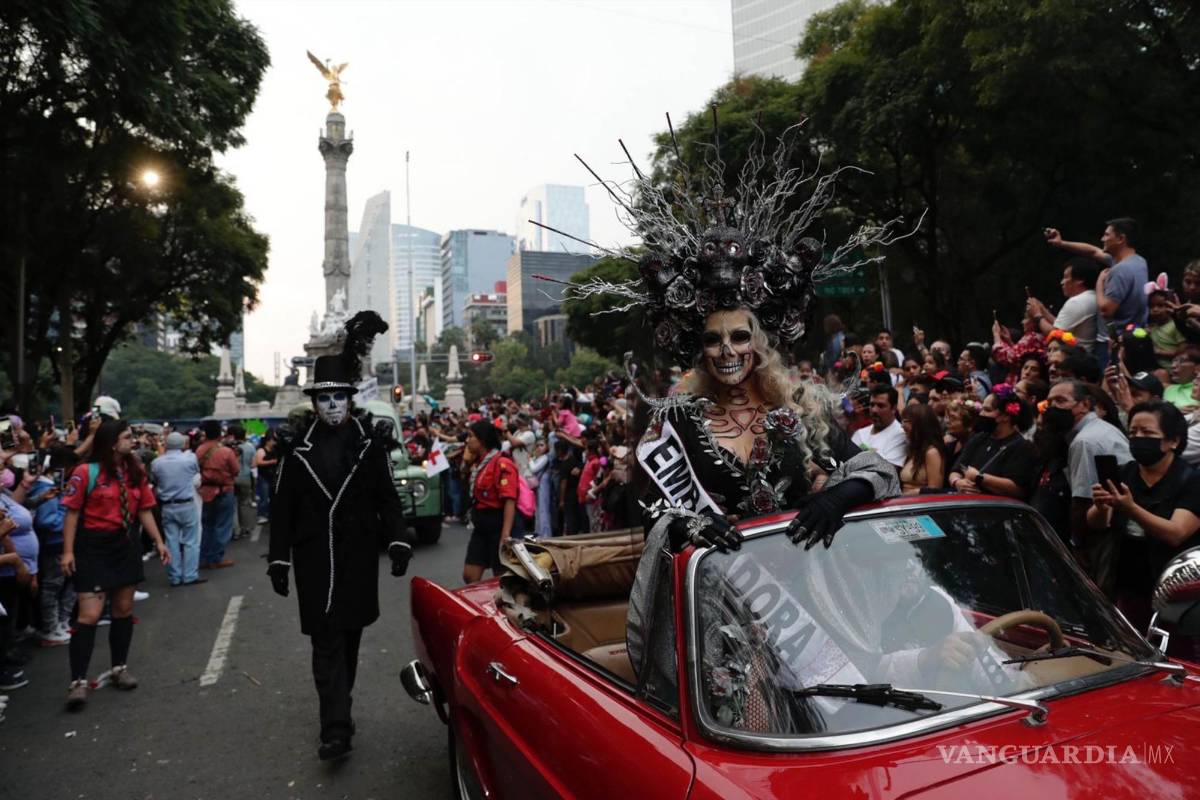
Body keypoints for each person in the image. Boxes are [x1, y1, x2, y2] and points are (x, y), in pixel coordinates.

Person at [267, 311, 412, 761]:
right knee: (325, 644)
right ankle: (334, 728)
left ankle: (340, 708)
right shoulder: (297, 450)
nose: (331, 405)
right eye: (324, 398)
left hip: (354, 558)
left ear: (349, 399)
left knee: (348, 641)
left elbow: (388, 498)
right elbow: (281, 509)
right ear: (314, 403)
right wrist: (279, 558)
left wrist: (398, 538)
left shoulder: (370, 445)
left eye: (338, 397)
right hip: (314, 562)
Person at [59, 419, 170, 709]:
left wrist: (158, 542)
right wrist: (68, 552)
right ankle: (78, 681)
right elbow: (71, 514)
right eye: (126, 437)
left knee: (123, 609)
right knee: (90, 615)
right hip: (93, 547)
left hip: (126, 545)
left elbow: (145, 509)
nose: (131, 441)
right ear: (110, 442)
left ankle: (119, 667)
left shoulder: (135, 472)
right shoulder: (86, 473)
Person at [1087, 400, 1200, 636]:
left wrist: (1130, 508)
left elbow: (1176, 533)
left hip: (1176, 595)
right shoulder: (1124, 472)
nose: (1138, 438)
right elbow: (1097, 523)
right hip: (1125, 584)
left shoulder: (1191, 481)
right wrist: (1100, 506)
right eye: (1133, 432)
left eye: (1147, 433)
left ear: (1173, 441)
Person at [1044, 380, 1132, 592]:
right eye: (1050, 402)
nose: (1053, 407)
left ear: (1084, 404)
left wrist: (1078, 544)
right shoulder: (1099, 430)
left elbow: (1082, 500)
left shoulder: (1086, 441)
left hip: (1107, 532)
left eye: (1061, 401)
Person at [1046, 219, 1149, 365]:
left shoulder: (1120, 271)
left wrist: (1099, 283)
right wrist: (1061, 243)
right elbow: (1093, 251)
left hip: (1112, 342)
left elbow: (1107, 310)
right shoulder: (1138, 262)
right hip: (1134, 337)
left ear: (1121, 239)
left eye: (1107, 235)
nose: (1102, 239)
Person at [948, 386, 1037, 500]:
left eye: (987, 410)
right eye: (982, 409)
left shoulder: (1022, 447)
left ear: (1005, 416)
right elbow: (955, 471)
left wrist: (980, 478)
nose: (982, 414)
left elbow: (1019, 490)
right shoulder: (979, 438)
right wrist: (957, 482)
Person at [463, 419, 519, 584]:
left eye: (471, 436)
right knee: (469, 576)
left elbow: (510, 499)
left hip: (497, 524)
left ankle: (501, 609)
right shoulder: (479, 463)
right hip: (481, 526)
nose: (467, 440)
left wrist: (506, 534)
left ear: (482, 439)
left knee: (501, 579)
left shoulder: (502, 463)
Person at [150, 432, 202, 587]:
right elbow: (196, 472)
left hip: (167, 505)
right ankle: (190, 575)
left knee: (171, 541)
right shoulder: (190, 459)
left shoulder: (157, 462)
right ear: (182, 444)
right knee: (191, 542)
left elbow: (155, 479)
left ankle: (175, 576)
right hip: (186, 503)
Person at [1027, 257, 1100, 353]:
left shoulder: (1077, 302)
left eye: (1066, 277)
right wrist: (1043, 310)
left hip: (1076, 357)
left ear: (1080, 280)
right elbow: (1062, 326)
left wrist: (1037, 315)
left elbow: (1054, 333)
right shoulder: (1092, 297)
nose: (1062, 282)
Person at [195, 421, 239, 569]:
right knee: (222, 525)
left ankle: (204, 557)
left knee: (207, 525)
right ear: (220, 434)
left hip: (205, 491)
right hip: (225, 490)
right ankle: (216, 557)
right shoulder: (226, 452)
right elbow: (235, 470)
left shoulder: (199, 451)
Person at [851, 385, 907, 468]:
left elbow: (887, 470)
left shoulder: (901, 435)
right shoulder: (860, 433)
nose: (874, 410)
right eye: (872, 405)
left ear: (894, 408)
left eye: (881, 406)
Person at [899, 404, 946, 494]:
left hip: (919, 505)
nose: (902, 425)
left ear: (920, 424)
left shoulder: (932, 453)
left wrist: (911, 493)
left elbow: (934, 490)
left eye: (906, 421)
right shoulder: (914, 451)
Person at [230, 425, 256, 541]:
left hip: (232, 478)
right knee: (244, 504)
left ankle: (236, 530)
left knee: (233, 505)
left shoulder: (230, 448)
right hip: (245, 477)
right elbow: (254, 464)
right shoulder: (250, 447)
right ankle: (245, 528)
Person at [253, 432, 279, 524]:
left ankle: (269, 514)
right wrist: (271, 462)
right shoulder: (261, 450)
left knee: (272, 497)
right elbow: (258, 462)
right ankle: (261, 515)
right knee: (264, 497)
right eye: (273, 440)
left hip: (273, 477)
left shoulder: (275, 450)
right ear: (268, 441)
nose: (274, 442)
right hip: (263, 477)